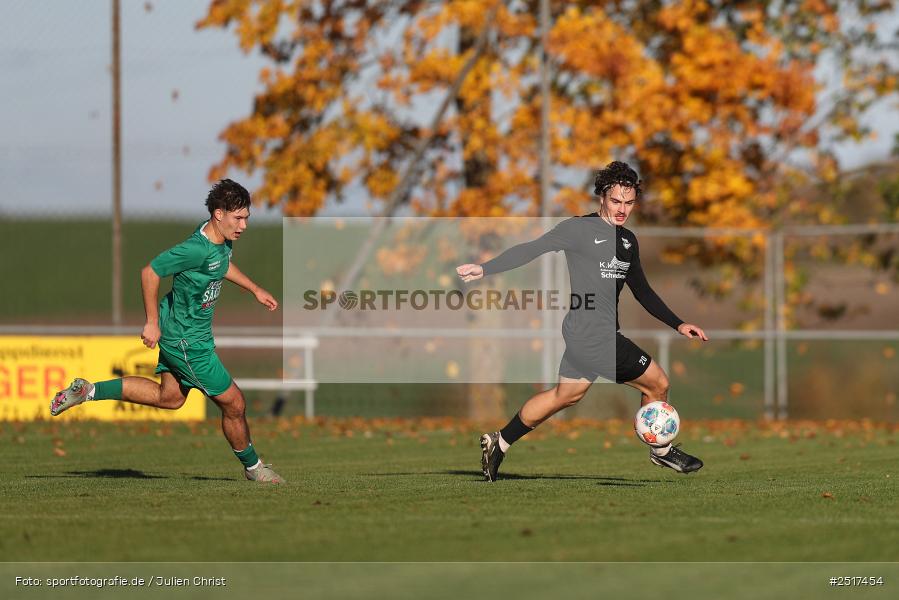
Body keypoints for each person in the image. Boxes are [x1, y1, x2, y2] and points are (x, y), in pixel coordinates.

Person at [456, 161, 708, 482]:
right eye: (616, 201)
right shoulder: (577, 230)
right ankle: (661, 452)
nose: (622, 209)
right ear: (601, 196)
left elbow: (642, 290)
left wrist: (678, 323)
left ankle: (499, 442)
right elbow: (532, 249)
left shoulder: (628, 241)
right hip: (592, 333)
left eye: (629, 203)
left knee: (567, 395)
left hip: (588, 333)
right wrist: (485, 268)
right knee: (658, 383)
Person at [50, 179, 284, 484]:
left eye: (246, 219)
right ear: (218, 214)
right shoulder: (194, 249)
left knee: (170, 398)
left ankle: (89, 390)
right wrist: (151, 322)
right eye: (238, 218)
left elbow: (221, 265)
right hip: (187, 341)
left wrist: (254, 289)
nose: (243, 226)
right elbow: (150, 271)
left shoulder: (220, 241)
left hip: (187, 334)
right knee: (235, 403)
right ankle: (255, 468)